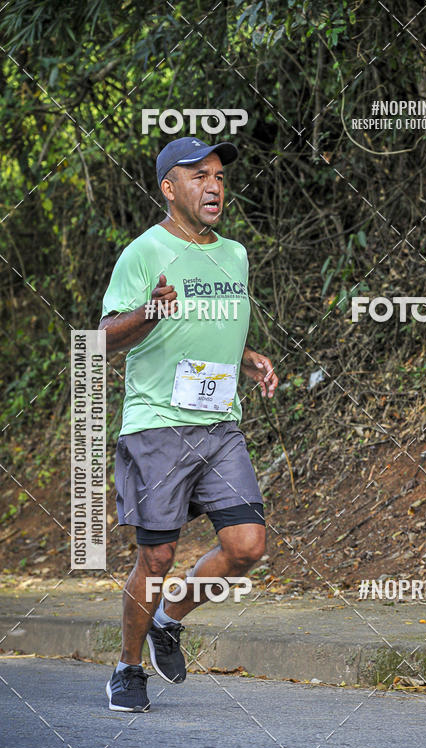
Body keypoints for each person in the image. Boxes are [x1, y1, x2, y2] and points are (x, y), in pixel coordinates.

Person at [99, 136, 278, 712]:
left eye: (219, 176)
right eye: (199, 176)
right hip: (157, 423)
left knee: (247, 546)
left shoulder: (236, 255)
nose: (214, 186)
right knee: (156, 557)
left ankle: (169, 620)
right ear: (168, 189)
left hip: (220, 420)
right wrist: (149, 312)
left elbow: (214, 323)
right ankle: (127, 668)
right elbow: (100, 341)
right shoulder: (144, 253)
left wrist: (244, 358)